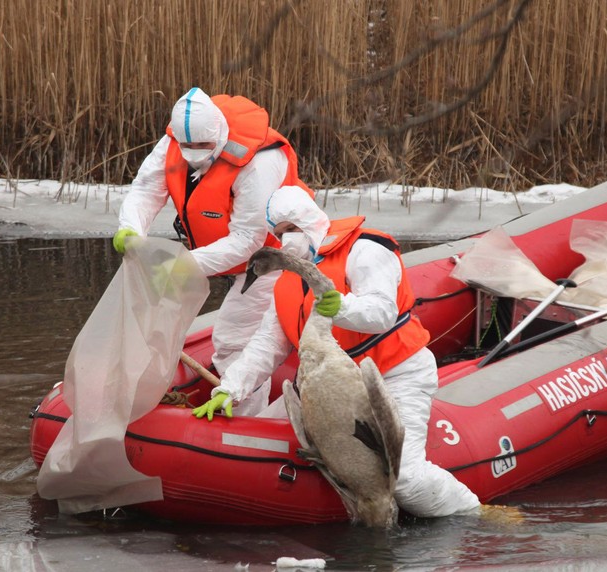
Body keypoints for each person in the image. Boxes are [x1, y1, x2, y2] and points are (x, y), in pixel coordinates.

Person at [191, 186, 481, 518]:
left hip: (393, 376)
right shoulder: (286, 280)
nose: (287, 240)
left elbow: (382, 311)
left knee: (404, 479)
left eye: (292, 229)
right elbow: (266, 345)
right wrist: (230, 388)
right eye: (280, 233)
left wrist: (340, 306)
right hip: (331, 392)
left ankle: (472, 512)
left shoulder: (366, 249)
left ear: (310, 220)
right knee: (260, 444)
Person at [113, 88, 314, 413]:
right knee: (156, 310)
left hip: (272, 256)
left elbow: (248, 240)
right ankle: (143, 390)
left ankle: (249, 424)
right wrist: (131, 228)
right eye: (187, 146)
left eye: (203, 147)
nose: (193, 154)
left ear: (219, 134)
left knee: (234, 339)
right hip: (216, 253)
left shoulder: (258, 162)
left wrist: (183, 265)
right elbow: (147, 189)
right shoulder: (173, 143)